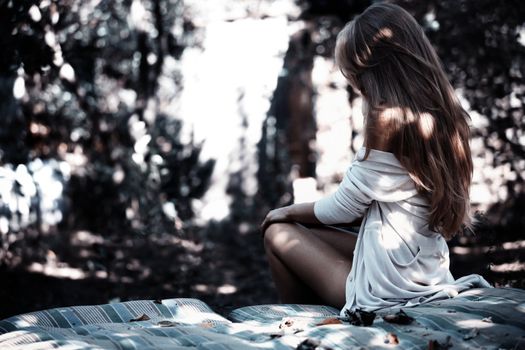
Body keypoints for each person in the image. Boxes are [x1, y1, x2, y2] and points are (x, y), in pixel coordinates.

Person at [260, 3, 490, 316]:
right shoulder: (447, 114)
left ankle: (301, 324)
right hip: (425, 271)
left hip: (387, 288)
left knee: (278, 233)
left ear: (373, 69)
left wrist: (282, 212)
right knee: (302, 230)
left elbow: (345, 208)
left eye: (355, 73)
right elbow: (364, 209)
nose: (355, 83)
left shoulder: (385, 117)